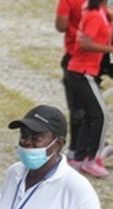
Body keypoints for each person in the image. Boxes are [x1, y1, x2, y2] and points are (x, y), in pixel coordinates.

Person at [64, 0, 112, 178]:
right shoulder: (94, 15)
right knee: (102, 115)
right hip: (82, 73)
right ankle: (92, 159)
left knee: (90, 115)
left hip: (80, 72)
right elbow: (85, 44)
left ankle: (78, 156)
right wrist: (111, 48)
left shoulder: (99, 11)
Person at [55, 0, 88, 157]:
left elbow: (61, 25)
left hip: (76, 56)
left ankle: (77, 149)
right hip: (101, 56)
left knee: (78, 106)